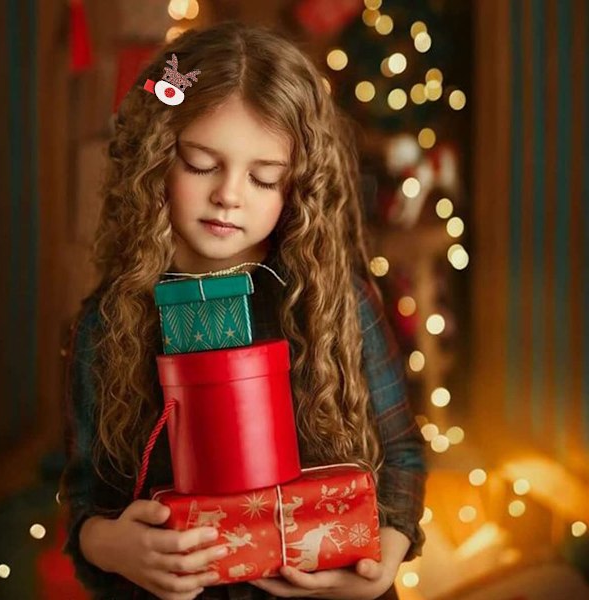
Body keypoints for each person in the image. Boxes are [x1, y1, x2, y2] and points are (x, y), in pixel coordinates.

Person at [59, 19, 427, 600]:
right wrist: (109, 544)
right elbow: (86, 498)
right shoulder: (109, 323)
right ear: (155, 160)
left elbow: (402, 456)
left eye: (264, 178)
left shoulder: (334, 302)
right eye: (202, 164)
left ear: (297, 186)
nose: (230, 194)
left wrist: (384, 560)